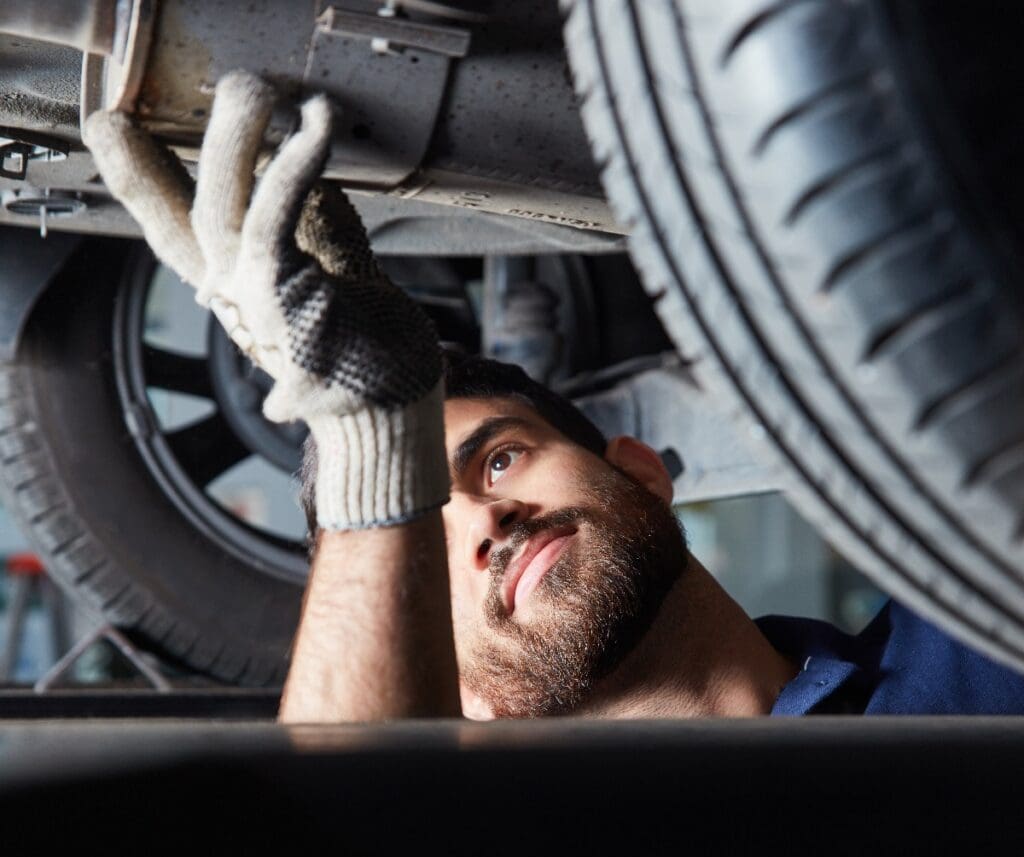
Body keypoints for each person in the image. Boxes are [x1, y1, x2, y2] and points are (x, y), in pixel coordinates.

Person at [83, 71, 1024, 722]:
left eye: (500, 457)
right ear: (454, 692)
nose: (487, 519)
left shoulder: (984, 640)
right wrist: (371, 440)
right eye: (432, 540)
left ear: (642, 471)